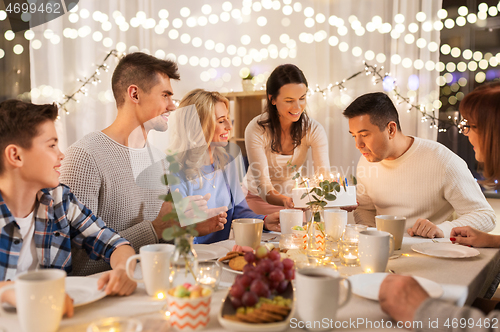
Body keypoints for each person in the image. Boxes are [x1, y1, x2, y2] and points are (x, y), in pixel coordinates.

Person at [60, 52, 226, 275]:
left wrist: (187, 229)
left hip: (153, 287)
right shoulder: (85, 156)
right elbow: (77, 262)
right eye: (165, 95)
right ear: (135, 94)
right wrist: (155, 229)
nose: (173, 106)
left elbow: (161, 243)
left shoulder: (161, 161)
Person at [379, 82, 500, 331]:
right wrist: (492, 241)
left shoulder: (440, 158)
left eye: (471, 126)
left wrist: (423, 310)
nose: (465, 133)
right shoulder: (366, 164)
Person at [0, 100, 137, 317]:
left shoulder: (59, 200)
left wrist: (123, 270)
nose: (61, 155)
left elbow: (114, 243)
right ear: (16, 156)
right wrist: (13, 293)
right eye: (52, 145)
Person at [343, 92, 495, 239]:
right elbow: (365, 209)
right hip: (386, 252)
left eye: (364, 135)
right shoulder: (366, 161)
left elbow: (485, 216)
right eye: (354, 136)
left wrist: (442, 229)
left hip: (431, 253)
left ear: (391, 129)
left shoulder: (442, 160)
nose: (358, 145)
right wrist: (373, 237)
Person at [169, 89, 281, 244]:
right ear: (198, 125)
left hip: (220, 255)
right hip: (193, 258)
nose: (229, 126)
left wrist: (265, 221)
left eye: (228, 118)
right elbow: (175, 231)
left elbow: (239, 211)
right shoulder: (175, 170)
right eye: (221, 121)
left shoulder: (228, 162)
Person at [244, 64, 330, 215]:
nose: (297, 107)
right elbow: (264, 188)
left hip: (293, 200)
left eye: (302, 98)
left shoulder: (314, 129)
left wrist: (339, 198)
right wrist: (285, 201)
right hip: (256, 199)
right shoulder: (256, 129)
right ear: (272, 99)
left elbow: (324, 178)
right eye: (289, 100)